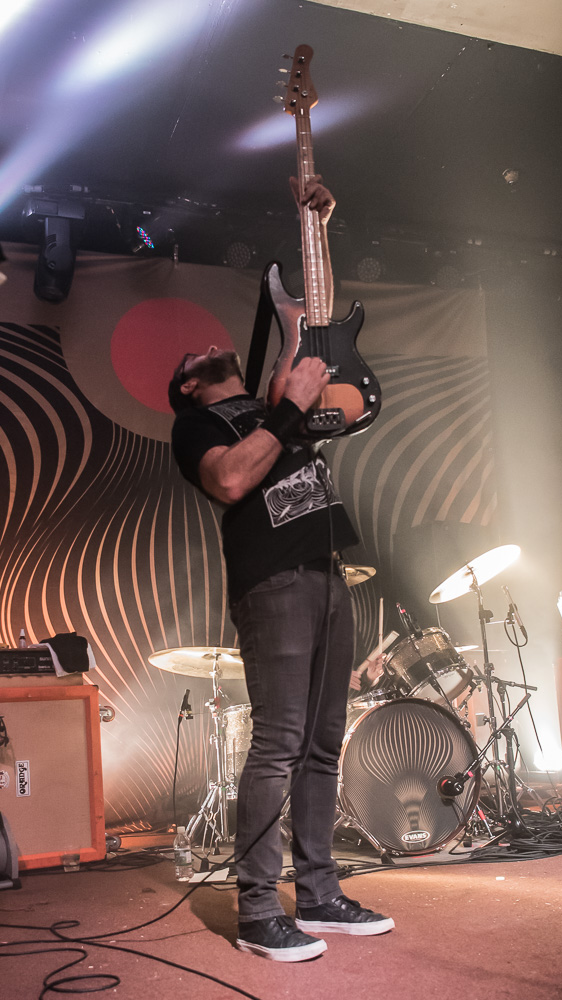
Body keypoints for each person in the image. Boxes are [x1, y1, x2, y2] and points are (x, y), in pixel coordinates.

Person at [169, 177, 394, 962]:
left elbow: (318, 315)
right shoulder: (197, 426)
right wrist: (289, 413)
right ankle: (259, 909)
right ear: (188, 387)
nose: (204, 348)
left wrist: (317, 224)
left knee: (325, 744)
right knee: (281, 742)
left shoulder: (272, 390)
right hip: (274, 584)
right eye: (191, 359)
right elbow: (233, 480)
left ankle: (322, 893)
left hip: (329, 573)